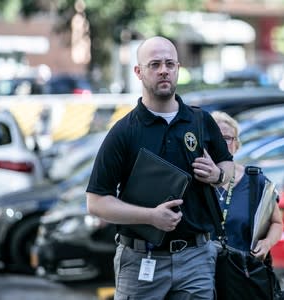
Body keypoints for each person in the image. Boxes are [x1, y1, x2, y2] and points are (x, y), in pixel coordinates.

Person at [86, 36, 234, 300]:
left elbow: (228, 166)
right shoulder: (124, 131)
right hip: (140, 259)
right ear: (139, 72)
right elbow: (96, 202)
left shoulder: (200, 121)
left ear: (178, 67)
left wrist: (218, 174)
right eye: (154, 64)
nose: (163, 70)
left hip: (196, 258)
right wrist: (150, 216)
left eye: (169, 63)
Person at [211, 111, 283, 259]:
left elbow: (277, 223)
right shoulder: (191, 180)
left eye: (227, 138)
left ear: (236, 144)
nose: (221, 143)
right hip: (199, 270)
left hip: (240, 269)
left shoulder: (255, 181)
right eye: (215, 137)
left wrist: (267, 243)